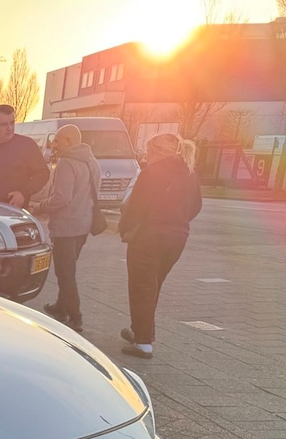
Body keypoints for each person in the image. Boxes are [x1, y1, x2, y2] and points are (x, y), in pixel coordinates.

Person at [117, 132, 202, 358]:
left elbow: (135, 207)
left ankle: (143, 342)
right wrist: (178, 222)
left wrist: (125, 228)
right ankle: (140, 330)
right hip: (177, 237)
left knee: (141, 286)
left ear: (158, 151)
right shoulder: (189, 173)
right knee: (153, 284)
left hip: (148, 236)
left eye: (149, 151)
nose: (146, 156)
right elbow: (196, 206)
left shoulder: (152, 172)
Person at [32, 123, 102, 333]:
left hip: (66, 227)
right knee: (68, 270)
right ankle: (60, 307)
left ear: (70, 141)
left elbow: (61, 198)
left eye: (58, 141)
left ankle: (75, 316)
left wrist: (41, 206)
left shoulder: (67, 163)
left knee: (65, 274)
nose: (54, 145)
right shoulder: (92, 162)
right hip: (83, 225)